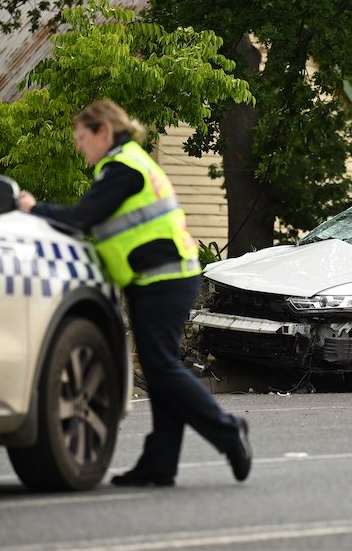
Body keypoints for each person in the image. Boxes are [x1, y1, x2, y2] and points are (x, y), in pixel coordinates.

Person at [18, 100, 251, 486]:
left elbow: (79, 219)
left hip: (164, 278)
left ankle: (228, 431)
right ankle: (159, 464)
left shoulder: (122, 168)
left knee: (161, 368)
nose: (79, 147)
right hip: (160, 278)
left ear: (102, 132)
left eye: (81, 137)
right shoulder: (131, 161)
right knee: (161, 371)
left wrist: (31, 208)